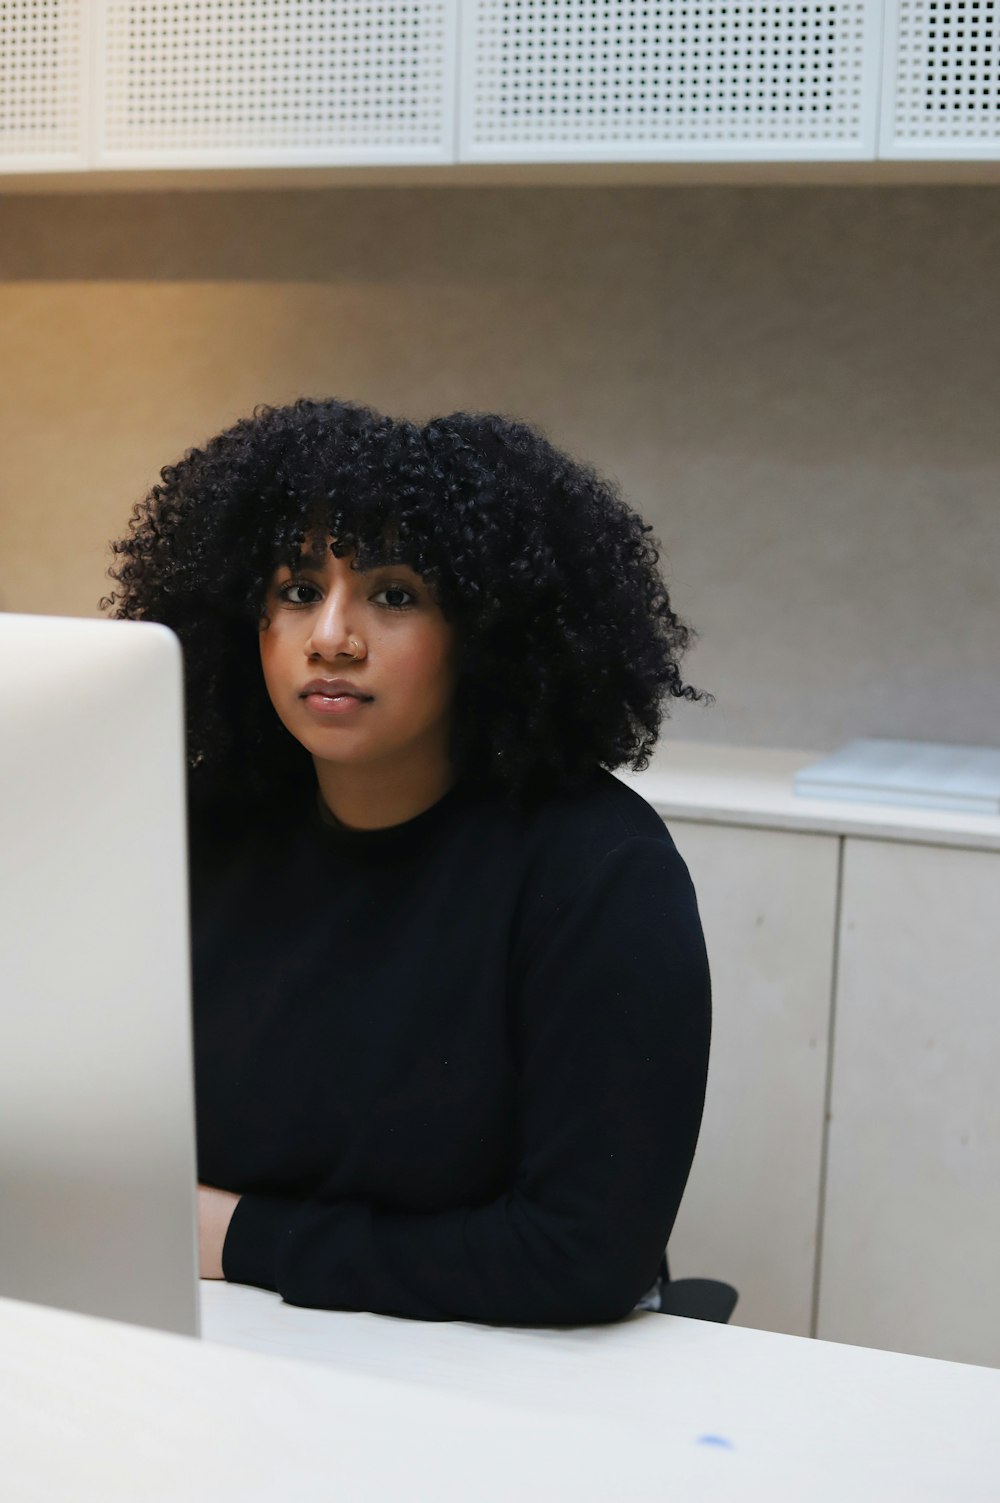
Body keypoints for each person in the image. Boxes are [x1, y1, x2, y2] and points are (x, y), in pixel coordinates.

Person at [99, 396, 714, 1327]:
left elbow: (581, 1254)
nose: (332, 637)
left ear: (487, 630)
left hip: (500, 1383)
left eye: (394, 595)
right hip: (234, 1342)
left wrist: (242, 1238)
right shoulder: (196, 831)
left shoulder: (600, 872)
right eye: (298, 591)